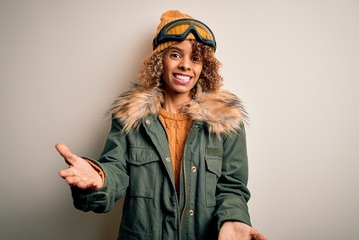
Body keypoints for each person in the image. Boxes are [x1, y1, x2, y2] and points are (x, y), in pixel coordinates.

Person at [56, 10, 267, 240]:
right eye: (176, 55)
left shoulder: (226, 122)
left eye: (195, 58)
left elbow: (232, 187)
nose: (186, 65)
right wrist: (100, 179)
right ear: (160, 60)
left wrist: (234, 220)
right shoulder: (130, 118)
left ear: (203, 67)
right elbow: (115, 169)